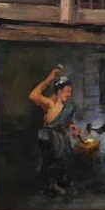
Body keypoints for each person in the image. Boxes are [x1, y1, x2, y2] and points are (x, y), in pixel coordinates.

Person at [29, 66, 76, 196]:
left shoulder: (69, 107)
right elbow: (33, 95)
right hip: (49, 137)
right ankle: (52, 185)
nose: (69, 94)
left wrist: (73, 128)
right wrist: (49, 78)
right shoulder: (50, 103)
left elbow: (68, 121)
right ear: (59, 91)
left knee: (65, 159)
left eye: (70, 91)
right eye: (67, 91)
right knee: (51, 161)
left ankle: (60, 182)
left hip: (62, 137)